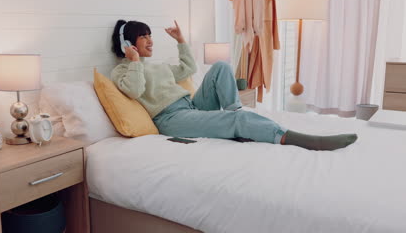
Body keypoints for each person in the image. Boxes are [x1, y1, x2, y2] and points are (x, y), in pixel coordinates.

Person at [110, 20, 357, 150]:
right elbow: (133, 90)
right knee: (237, 122)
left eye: (150, 35)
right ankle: (294, 138)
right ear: (128, 43)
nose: (150, 41)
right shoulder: (122, 70)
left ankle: (235, 113)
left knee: (221, 66)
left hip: (191, 105)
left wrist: (181, 41)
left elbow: (189, 69)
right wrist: (133, 61)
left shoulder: (159, 66)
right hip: (170, 119)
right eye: (144, 36)